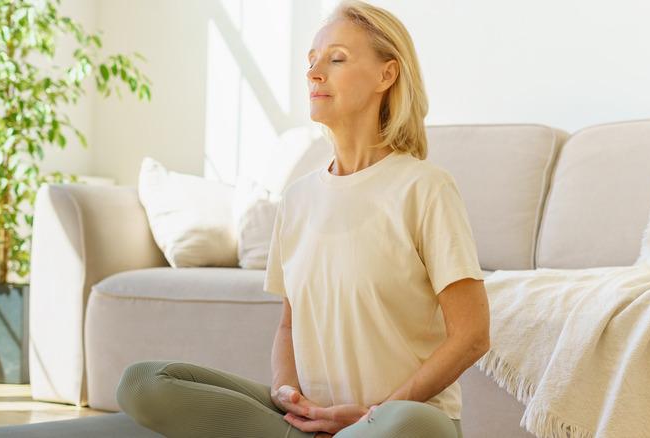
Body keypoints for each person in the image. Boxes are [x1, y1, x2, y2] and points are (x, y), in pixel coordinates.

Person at [116, 2, 490, 437]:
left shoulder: (425, 188)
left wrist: (373, 413)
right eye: (311, 61)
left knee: (408, 424)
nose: (314, 73)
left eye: (336, 59)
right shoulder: (297, 198)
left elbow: (472, 335)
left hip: (396, 421)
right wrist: (288, 394)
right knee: (143, 384)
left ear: (386, 75)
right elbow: (289, 325)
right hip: (314, 421)